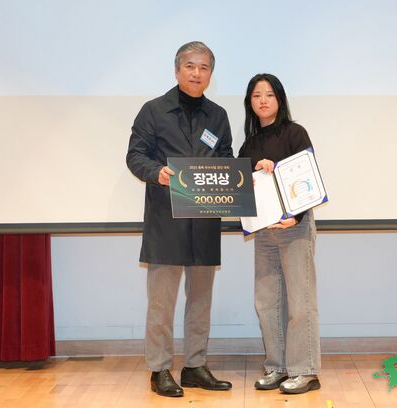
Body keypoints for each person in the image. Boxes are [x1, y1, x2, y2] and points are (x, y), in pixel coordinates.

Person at [126, 41, 233, 398]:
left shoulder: (218, 116)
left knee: (200, 300)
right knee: (162, 303)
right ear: (176, 70)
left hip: (204, 221)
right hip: (166, 221)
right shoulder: (153, 111)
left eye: (204, 68)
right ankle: (159, 369)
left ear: (210, 74)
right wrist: (156, 172)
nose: (197, 73)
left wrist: (230, 177)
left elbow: (226, 157)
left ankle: (195, 366)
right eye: (190, 66)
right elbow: (135, 156)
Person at [238, 73, 322, 394]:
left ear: (280, 99)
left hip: (294, 228)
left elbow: (308, 179)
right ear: (250, 102)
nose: (263, 100)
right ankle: (277, 366)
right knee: (267, 301)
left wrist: (295, 215)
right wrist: (251, 172)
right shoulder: (248, 144)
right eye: (257, 95)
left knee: (300, 302)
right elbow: (242, 189)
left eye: (269, 95)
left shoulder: (294, 133)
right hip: (264, 232)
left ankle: (305, 371)